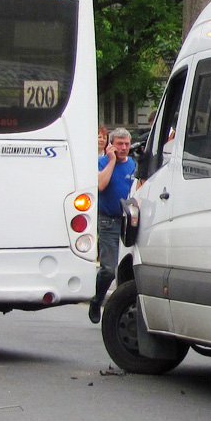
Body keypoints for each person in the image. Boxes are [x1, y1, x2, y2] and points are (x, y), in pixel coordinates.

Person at [91, 127, 136, 324]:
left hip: (128, 222)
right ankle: (97, 299)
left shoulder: (133, 165)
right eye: (119, 144)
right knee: (109, 269)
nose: (124, 148)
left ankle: (121, 310)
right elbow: (100, 186)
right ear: (111, 144)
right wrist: (111, 161)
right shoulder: (102, 162)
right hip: (108, 220)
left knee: (128, 269)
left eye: (126, 144)